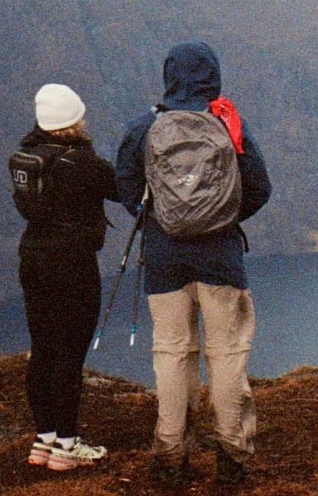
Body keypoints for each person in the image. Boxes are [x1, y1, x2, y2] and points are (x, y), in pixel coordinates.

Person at [116, 41, 272, 487]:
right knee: (226, 354)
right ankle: (232, 456)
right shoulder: (228, 124)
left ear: (168, 75)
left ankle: (170, 456)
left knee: (171, 353)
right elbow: (259, 187)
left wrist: (159, 220)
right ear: (213, 76)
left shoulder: (145, 128)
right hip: (220, 258)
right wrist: (223, 218)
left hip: (164, 260)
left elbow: (126, 185)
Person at [12, 82, 120, 471]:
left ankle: (44, 440)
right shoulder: (83, 163)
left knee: (43, 348)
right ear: (74, 119)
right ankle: (67, 446)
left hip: (33, 259)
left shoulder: (27, 158)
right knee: (70, 354)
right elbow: (124, 188)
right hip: (72, 264)